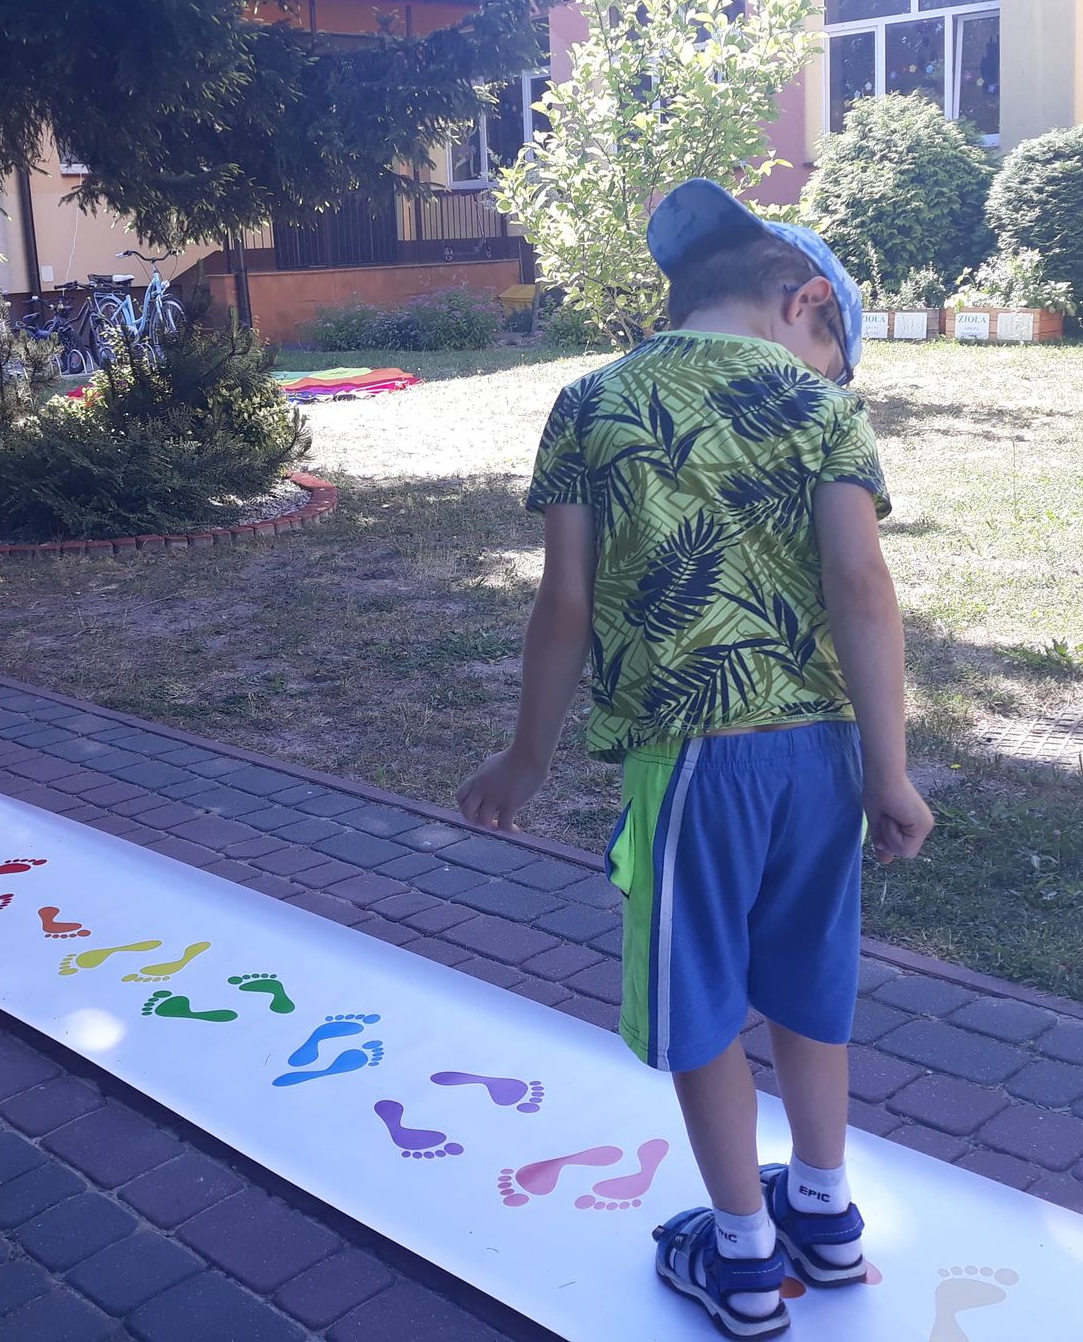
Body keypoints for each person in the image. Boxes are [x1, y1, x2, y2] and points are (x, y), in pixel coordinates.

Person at [457, 180, 934, 1339]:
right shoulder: (818, 411)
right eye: (836, 349)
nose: (830, 371)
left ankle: (739, 1257)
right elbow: (860, 586)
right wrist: (888, 770)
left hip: (689, 767)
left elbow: (564, 607)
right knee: (809, 987)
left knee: (701, 1006)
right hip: (821, 760)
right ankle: (822, 1212)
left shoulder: (592, 400)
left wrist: (527, 756)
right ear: (803, 303)